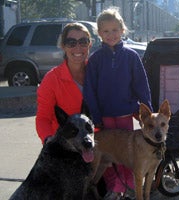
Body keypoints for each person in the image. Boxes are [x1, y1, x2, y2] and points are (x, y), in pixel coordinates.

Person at [83, 7, 152, 200]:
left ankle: (129, 187)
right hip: (104, 118)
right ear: (99, 33)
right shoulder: (95, 59)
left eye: (115, 30)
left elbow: (142, 86)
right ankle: (114, 188)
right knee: (106, 156)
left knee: (128, 156)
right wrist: (96, 118)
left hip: (124, 115)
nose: (111, 34)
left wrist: (148, 115)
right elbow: (90, 91)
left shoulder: (131, 57)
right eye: (105, 31)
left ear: (122, 30)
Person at [36, 22, 92, 144]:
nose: (78, 47)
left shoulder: (98, 73)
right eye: (71, 43)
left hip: (99, 147)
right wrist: (49, 141)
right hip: (65, 149)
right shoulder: (51, 79)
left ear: (89, 44)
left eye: (83, 42)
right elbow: (43, 119)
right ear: (63, 46)